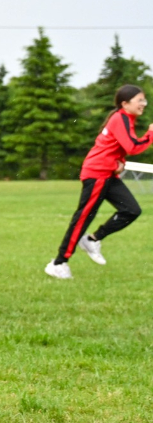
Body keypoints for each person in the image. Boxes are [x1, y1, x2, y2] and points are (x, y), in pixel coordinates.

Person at [45, 84, 150, 279]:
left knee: (131, 210)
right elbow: (133, 146)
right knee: (83, 218)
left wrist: (120, 162)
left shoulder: (125, 118)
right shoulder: (121, 118)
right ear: (125, 103)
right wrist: (151, 134)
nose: (143, 104)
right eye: (140, 100)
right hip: (97, 174)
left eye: (144, 100)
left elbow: (115, 147)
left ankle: (93, 239)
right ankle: (58, 263)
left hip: (108, 173)